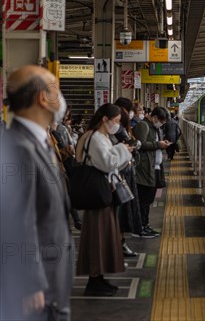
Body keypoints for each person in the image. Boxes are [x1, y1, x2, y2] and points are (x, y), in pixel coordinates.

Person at [1, 65, 73, 320]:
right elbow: (17, 220)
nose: (61, 98)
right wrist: (29, 282)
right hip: (37, 288)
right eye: (57, 89)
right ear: (43, 98)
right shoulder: (18, 148)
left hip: (51, 279)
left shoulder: (38, 142)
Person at [75, 103, 133, 296]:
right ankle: (94, 280)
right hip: (97, 196)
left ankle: (98, 278)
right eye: (115, 121)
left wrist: (122, 151)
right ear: (104, 119)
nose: (117, 125)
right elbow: (108, 164)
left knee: (103, 237)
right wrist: (123, 149)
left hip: (102, 194)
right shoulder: (97, 139)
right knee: (97, 238)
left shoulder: (102, 137)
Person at [113, 97, 143, 256]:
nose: (132, 114)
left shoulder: (118, 127)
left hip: (122, 174)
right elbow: (128, 144)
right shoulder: (116, 129)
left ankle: (120, 243)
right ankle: (117, 244)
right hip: (118, 176)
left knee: (122, 212)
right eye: (131, 110)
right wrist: (134, 145)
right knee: (120, 212)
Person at [132, 107, 170, 238]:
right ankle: (140, 227)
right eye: (161, 121)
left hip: (152, 168)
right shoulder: (143, 125)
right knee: (144, 199)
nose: (162, 124)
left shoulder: (154, 128)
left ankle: (145, 225)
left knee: (148, 199)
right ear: (154, 117)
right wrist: (157, 145)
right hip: (144, 168)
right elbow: (139, 145)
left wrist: (160, 144)